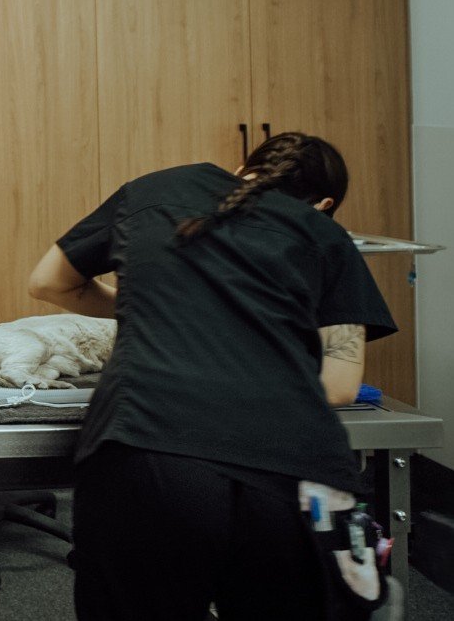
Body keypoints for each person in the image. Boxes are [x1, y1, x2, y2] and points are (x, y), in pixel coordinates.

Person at [27, 133, 397, 621]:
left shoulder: (156, 190)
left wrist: (149, 305)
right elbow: (341, 386)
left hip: (149, 450)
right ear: (324, 204)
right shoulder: (327, 236)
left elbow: (47, 281)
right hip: (287, 473)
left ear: (241, 168)